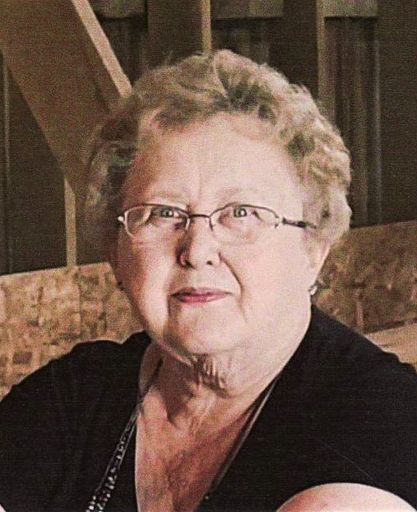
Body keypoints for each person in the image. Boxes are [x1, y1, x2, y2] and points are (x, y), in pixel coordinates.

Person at [0, 50, 416, 512]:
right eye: (163, 213)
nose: (197, 250)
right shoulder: (76, 397)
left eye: (242, 213)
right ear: (116, 253)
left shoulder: (381, 417)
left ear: (313, 247)